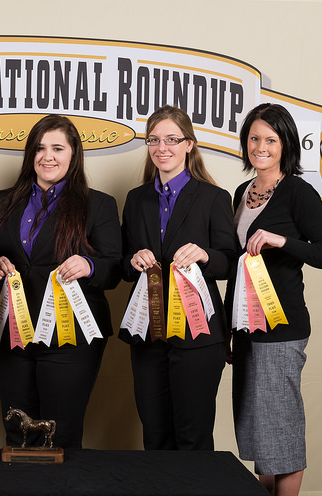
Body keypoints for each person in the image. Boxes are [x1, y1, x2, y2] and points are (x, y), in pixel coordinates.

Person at [0, 114, 122, 449]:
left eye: (58, 148)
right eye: (40, 148)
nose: (48, 156)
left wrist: (89, 265)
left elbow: (114, 268)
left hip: (71, 338)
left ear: (73, 154)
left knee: (59, 435)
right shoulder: (6, 199)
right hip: (13, 335)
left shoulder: (98, 204)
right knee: (18, 432)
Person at [228, 103, 322, 496]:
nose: (260, 146)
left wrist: (283, 241)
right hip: (247, 327)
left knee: (283, 434)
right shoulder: (241, 193)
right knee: (262, 434)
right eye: (254, 138)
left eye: (270, 140)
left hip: (282, 327)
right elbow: (237, 265)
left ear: (286, 145)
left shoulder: (298, 191)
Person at [120, 105, 237, 451]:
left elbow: (230, 263)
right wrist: (133, 259)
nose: (162, 147)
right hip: (148, 333)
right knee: (154, 437)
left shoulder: (214, 198)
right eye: (154, 140)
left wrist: (205, 255)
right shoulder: (135, 199)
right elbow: (122, 266)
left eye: (172, 139)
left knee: (193, 437)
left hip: (198, 336)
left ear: (189, 144)